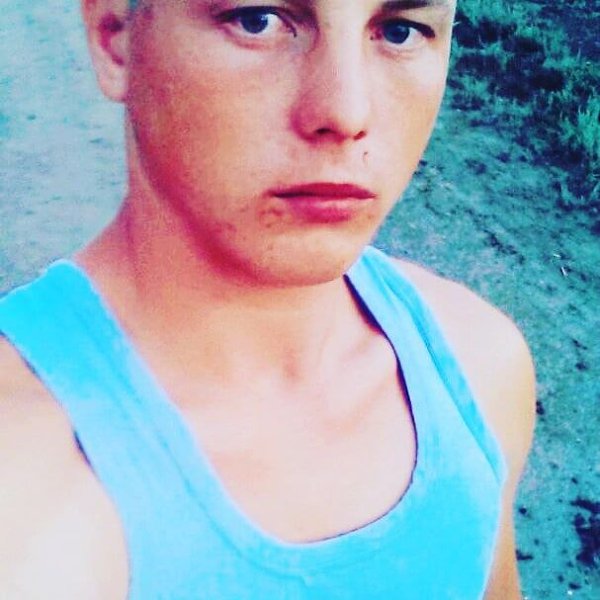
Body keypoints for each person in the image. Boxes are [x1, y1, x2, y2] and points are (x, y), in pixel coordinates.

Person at [0, 0, 536, 597]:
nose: (346, 112)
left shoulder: (478, 367)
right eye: (258, 20)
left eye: (400, 31)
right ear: (115, 36)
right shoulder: (25, 500)